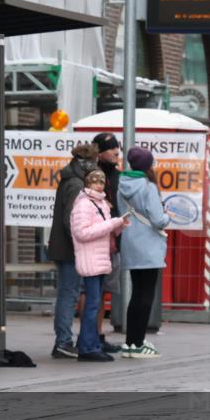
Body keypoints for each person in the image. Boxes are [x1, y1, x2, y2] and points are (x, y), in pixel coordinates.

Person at [69, 169, 129, 362]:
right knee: (92, 305)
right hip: (90, 260)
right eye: (94, 182)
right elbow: (82, 233)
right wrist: (112, 224)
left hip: (100, 258)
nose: (99, 185)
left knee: (96, 304)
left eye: (101, 182)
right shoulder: (83, 204)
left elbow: (105, 230)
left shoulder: (101, 203)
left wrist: (119, 225)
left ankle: (92, 344)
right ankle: (87, 348)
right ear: (87, 184)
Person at [47, 143, 99, 359]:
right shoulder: (77, 184)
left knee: (68, 293)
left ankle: (63, 340)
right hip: (70, 249)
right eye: (94, 162)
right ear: (87, 163)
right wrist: (81, 242)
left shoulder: (71, 179)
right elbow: (72, 219)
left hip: (65, 246)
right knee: (69, 294)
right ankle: (63, 341)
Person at [118, 147, 171, 358]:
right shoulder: (148, 187)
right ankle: (138, 343)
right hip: (149, 246)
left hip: (130, 243)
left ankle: (130, 342)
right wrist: (167, 216)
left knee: (136, 294)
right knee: (146, 295)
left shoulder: (122, 184)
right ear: (148, 165)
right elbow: (158, 220)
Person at [91, 132, 124, 354]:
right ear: (100, 152)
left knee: (104, 292)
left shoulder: (118, 176)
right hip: (98, 240)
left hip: (113, 238)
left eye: (117, 148)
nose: (116, 152)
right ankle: (91, 336)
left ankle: (98, 335)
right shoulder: (94, 176)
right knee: (93, 291)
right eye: (112, 148)